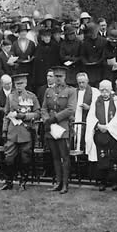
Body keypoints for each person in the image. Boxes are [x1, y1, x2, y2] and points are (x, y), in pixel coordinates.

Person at [1, 73, 40, 190]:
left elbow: (37, 113)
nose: (18, 86)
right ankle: (9, 182)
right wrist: (4, 130)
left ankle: (23, 182)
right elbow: (6, 114)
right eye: (17, 84)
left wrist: (24, 116)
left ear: (25, 83)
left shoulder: (31, 97)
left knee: (25, 158)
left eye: (21, 83)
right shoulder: (10, 97)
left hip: (25, 131)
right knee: (9, 157)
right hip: (12, 132)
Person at [85, 80, 117, 191]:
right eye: (102, 90)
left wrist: (108, 126)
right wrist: (98, 125)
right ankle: (102, 182)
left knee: (114, 158)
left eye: (106, 90)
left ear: (111, 89)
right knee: (102, 157)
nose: (104, 92)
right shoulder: (96, 101)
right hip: (100, 133)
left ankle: (114, 182)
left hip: (113, 134)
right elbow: (91, 117)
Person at [41, 66, 77, 194]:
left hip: (62, 126)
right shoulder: (48, 91)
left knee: (64, 157)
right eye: (56, 76)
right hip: (51, 127)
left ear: (65, 77)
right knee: (55, 156)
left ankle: (65, 184)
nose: (58, 79)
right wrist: (46, 119)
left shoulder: (71, 91)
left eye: (60, 77)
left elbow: (71, 109)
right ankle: (58, 182)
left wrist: (55, 118)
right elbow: (44, 108)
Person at [80, 23, 106, 88]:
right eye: (91, 33)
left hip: (99, 69)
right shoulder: (85, 42)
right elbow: (82, 55)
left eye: (94, 32)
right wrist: (86, 62)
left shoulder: (103, 41)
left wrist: (98, 62)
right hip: (88, 69)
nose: (93, 34)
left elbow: (104, 54)